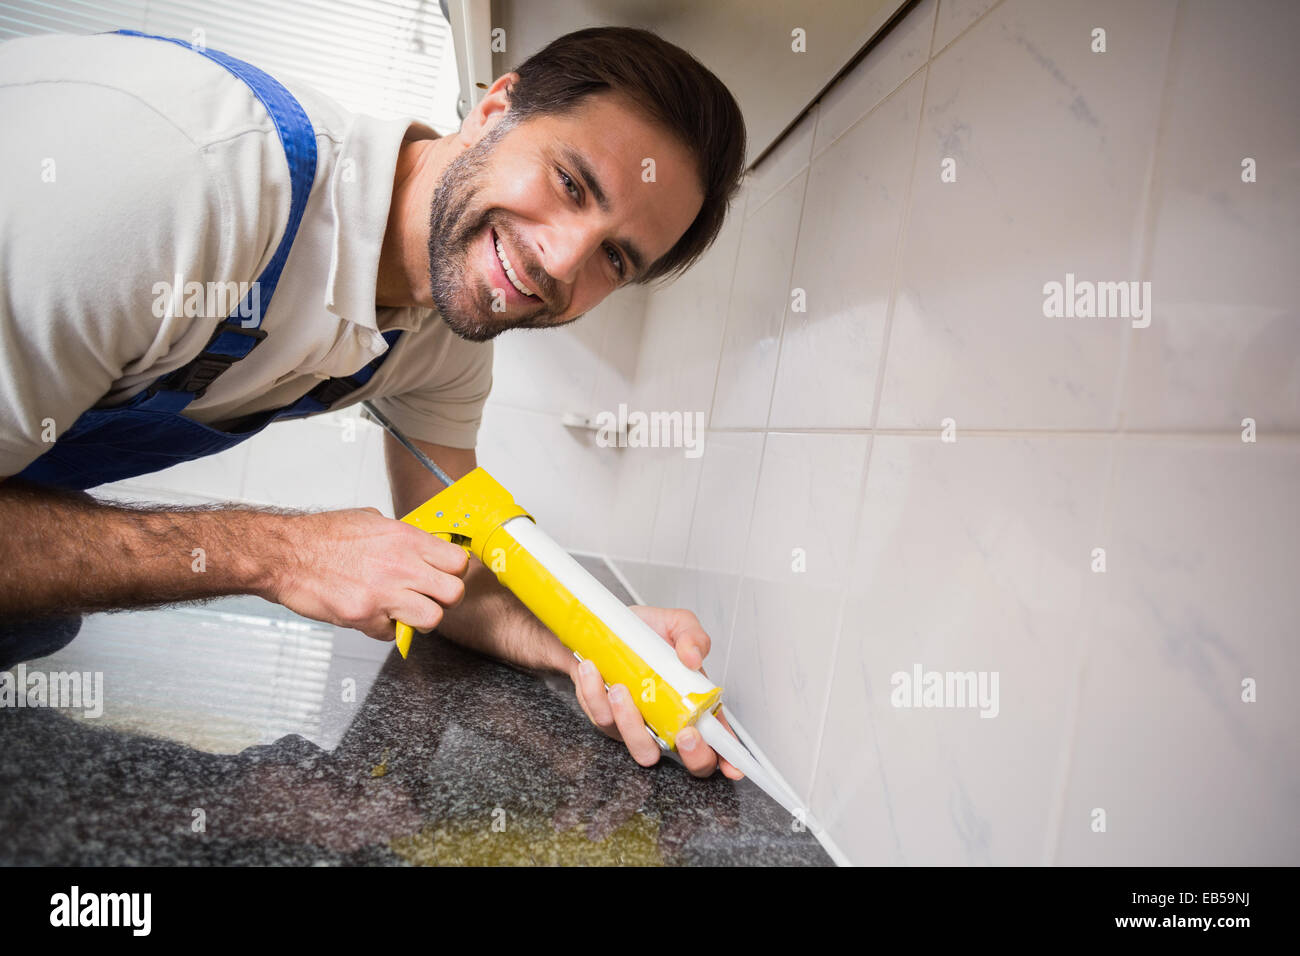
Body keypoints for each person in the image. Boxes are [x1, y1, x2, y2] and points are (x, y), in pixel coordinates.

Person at [0, 26, 747, 777]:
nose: (561, 260)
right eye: (571, 184)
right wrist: (282, 552)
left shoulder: (446, 338)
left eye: (614, 257)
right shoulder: (189, 183)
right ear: (496, 108)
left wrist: (595, 640)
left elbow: (445, 558)